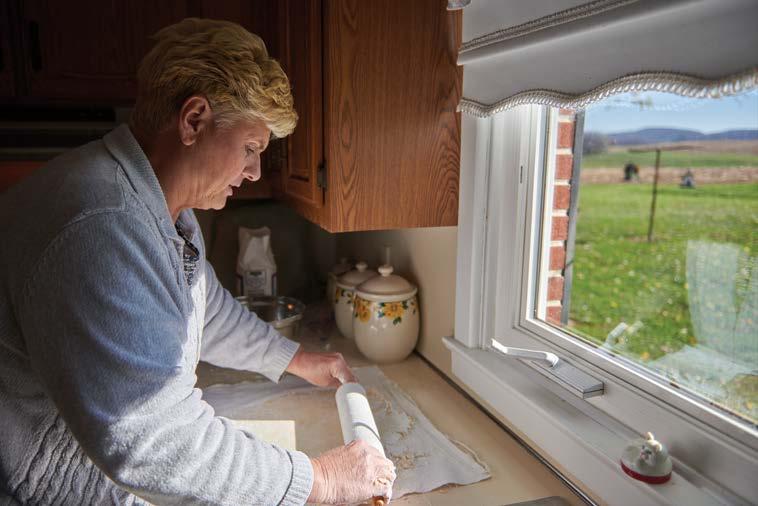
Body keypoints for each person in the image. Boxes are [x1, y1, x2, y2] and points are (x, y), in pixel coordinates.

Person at [0, 18, 395, 505]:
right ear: (193, 121)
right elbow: (149, 438)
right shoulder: (100, 224)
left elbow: (201, 307)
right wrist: (321, 479)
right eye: (250, 148)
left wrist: (293, 358)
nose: (254, 171)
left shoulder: (159, 206)